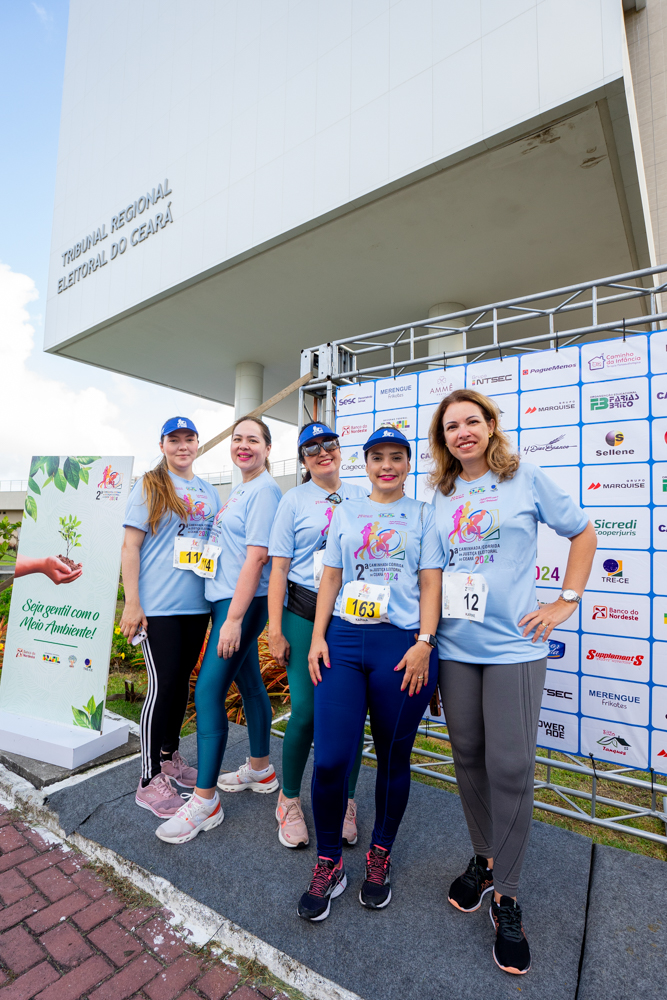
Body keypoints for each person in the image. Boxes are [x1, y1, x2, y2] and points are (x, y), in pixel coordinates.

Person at [430, 388, 596, 976]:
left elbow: (583, 533)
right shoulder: (440, 493)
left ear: (490, 425)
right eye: (452, 426)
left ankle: (510, 896)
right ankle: (484, 860)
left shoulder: (525, 476)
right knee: (468, 756)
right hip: (455, 648)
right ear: (442, 438)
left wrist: (565, 600)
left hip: (512, 650)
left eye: (472, 421)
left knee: (510, 767)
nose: (463, 432)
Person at [298, 427, 443, 921]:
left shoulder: (424, 514)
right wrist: (318, 636)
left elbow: (430, 582)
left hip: (400, 646)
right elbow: (331, 576)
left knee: (391, 756)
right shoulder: (347, 509)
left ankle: (379, 855)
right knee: (332, 759)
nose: (387, 465)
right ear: (365, 462)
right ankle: (329, 863)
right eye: (377, 456)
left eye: (396, 457)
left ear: (408, 463)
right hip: (343, 638)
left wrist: (425, 642)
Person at [156, 416, 282, 844]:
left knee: (208, 692)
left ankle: (205, 800)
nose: (244, 446)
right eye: (237, 439)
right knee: (249, 685)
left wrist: (232, 618)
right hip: (225, 600)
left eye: (253, 440)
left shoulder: (264, 490)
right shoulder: (241, 489)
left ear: (268, 448)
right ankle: (261, 769)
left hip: (239, 604)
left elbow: (258, 556)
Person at [268, 422, 367, 849]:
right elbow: (278, 568)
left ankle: (345, 800)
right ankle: (288, 799)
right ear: (303, 459)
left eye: (329, 444)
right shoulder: (293, 500)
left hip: (354, 615)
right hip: (305, 613)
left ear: (340, 449)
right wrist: (275, 628)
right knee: (306, 712)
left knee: (351, 717)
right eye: (311, 448)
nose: (322, 452)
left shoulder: (364, 494)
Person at [120, 417, 221, 818]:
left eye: (189, 438)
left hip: (195, 605)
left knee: (180, 686)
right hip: (158, 608)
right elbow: (130, 546)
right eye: (174, 439)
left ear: (197, 443)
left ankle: (168, 757)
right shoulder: (150, 485)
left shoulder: (209, 491)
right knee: (161, 688)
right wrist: (132, 603)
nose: (182, 445)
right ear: (162, 444)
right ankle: (147, 780)